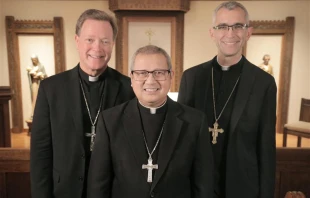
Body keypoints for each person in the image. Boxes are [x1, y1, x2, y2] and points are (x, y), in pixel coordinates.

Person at [30, 9, 135, 198]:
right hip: (64, 192)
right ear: (77, 41)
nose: (97, 48)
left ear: (113, 44)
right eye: (90, 40)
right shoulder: (50, 88)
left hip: (112, 191)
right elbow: (40, 155)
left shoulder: (129, 88)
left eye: (105, 41)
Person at [178, 1, 277, 198]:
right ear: (212, 33)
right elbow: (181, 141)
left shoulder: (264, 83)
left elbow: (266, 149)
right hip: (197, 187)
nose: (230, 33)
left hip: (242, 187)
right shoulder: (192, 77)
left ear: (248, 32)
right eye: (222, 26)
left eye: (238, 26)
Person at [87, 45, 214, 198]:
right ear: (132, 78)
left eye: (159, 73)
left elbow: (203, 184)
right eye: (142, 73)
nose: (151, 80)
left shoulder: (195, 121)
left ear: (171, 76)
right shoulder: (110, 121)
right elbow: (98, 185)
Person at [26, 54, 47, 118]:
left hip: (40, 84)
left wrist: (40, 75)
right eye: (32, 60)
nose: (34, 61)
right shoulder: (30, 67)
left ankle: (40, 113)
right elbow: (29, 75)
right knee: (34, 98)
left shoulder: (41, 66)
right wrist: (32, 73)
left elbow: (45, 75)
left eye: (35, 60)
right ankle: (33, 113)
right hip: (34, 84)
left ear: (37, 60)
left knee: (40, 98)